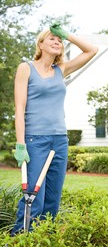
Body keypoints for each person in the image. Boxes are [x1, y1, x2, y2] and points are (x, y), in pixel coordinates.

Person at [11, 23, 98, 235]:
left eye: (59, 40)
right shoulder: (26, 68)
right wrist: (20, 143)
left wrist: (67, 34)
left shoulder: (61, 70)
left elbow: (92, 50)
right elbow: (19, 107)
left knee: (52, 201)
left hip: (60, 140)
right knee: (33, 198)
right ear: (40, 44)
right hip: (35, 140)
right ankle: (18, 243)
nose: (57, 41)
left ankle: (42, 244)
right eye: (52, 38)